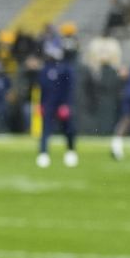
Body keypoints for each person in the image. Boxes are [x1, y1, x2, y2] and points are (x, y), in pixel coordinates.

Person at [35, 39, 78, 167]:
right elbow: (42, 88)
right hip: (48, 104)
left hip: (61, 103)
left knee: (68, 129)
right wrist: (41, 103)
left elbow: (69, 88)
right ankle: (43, 153)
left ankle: (71, 151)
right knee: (46, 130)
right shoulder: (45, 68)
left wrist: (66, 104)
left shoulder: (66, 68)